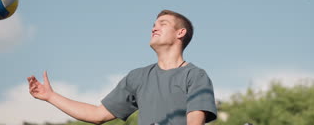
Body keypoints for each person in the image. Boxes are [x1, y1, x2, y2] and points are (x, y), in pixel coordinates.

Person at [27, 10, 217, 125]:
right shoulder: (138, 77)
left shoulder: (195, 76)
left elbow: (195, 122)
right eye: (153, 25)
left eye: (163, 24)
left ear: (180, 33)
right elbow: (97, 114)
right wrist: (50, 96)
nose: (154, 28)